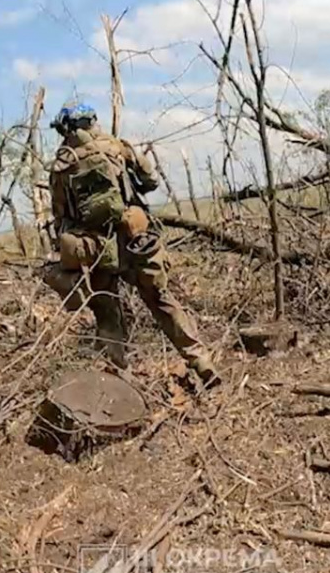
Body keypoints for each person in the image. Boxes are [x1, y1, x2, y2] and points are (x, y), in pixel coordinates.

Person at [40, 102, 221, 387]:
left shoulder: (63, 165)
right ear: (92, 122)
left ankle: (122, 381)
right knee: (161, 301)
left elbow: (61, 215)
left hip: (97, 249)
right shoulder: (118, 148)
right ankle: (201, 361)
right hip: (134, 240)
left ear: (66, 128)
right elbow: (151, 181)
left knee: (108, 313)